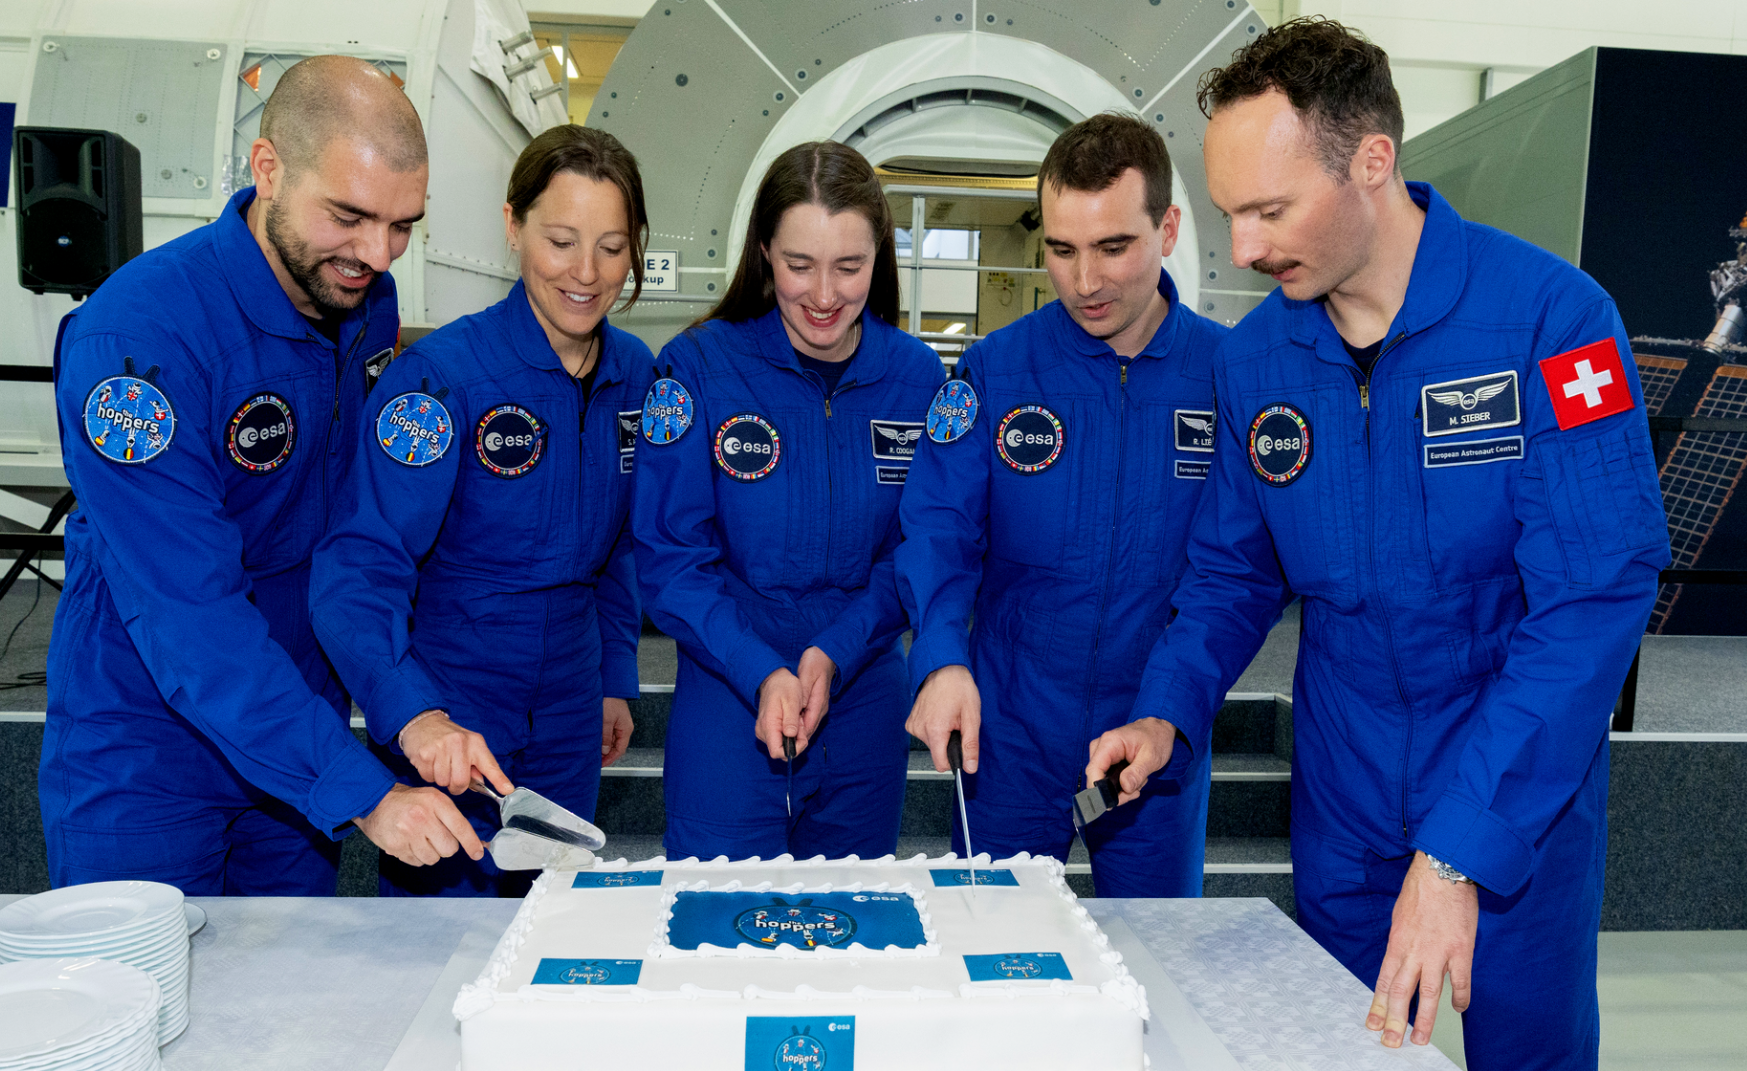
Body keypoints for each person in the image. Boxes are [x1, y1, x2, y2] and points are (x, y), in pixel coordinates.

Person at [1083, 20, 1669, 1071]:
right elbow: (1226, 572)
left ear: (1370, 162)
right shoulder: (1258, 362)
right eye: (1227, 215)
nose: (1242, 251)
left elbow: (1591, 601)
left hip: (1511, 785)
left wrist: (1456, 851)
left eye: (1268, 212)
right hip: (1343, 779)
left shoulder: (1552, 324)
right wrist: (1166, 706)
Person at [42, 56, 488, 895]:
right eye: (350, 216)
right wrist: (362, 792)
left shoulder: (362, 304)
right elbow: (190, 612)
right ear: (268, 168)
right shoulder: (137, 343)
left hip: (297, 735)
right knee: (141, 1008)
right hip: (150, 741)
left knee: (289, 1018)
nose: (375, 253)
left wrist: (409, 710)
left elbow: (354, 545)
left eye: (401, 226)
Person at [309, 125, 653, 897]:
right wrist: (414, 715)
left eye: (611, 246)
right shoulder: (440, 382)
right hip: (456, 694)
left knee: (553, 923)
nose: (586, 273)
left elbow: (621, 544)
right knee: (439, 945)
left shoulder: (635, 374)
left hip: (571, 692)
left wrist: (613, 676)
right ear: (512, 226)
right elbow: (357, 572)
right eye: (561, 240)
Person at [895, 114, 1225, 897]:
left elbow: (1239, 570)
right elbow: (938, 528)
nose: (1084, 281)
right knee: (993, 967)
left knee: (1153, 970)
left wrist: (1170, 712)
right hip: (1008, 735)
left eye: (1114, 247)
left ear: (1168, 228)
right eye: (1061, 249)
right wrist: (940, 655)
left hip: (1154, 735)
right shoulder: (992, 372)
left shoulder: (1229, 376)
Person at [632, 141, 943, 859]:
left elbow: (920, 547)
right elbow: (671, 557)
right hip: (728, 679)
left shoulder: (916, 378)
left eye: (849, 266)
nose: (825, 294)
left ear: (880, 259)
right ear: (764, 253)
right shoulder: (699, 367)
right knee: (717, 926)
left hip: (861, 683)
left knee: (853, 926)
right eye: (799, 265)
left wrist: (835, 651)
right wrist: (757, 667)